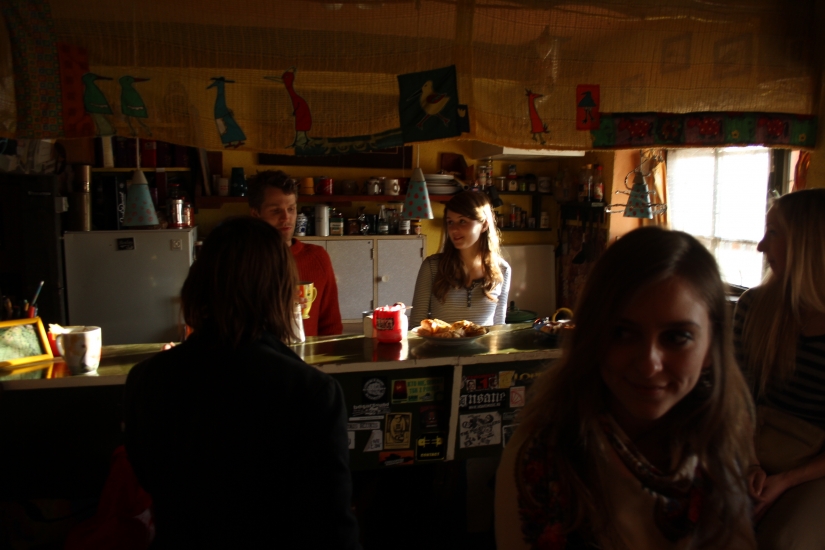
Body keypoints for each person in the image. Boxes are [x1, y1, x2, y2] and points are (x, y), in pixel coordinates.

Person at [496, 226, 756, 550]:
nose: (649, 365)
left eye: (677, 337)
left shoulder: (721, 437)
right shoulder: (540, 459)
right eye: (622, 333)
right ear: (592, 337)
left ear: (711, 347)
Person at [124, 217, 361, 549]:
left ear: (199, 283)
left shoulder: (147, 378)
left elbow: (149, 478)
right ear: (279, 290)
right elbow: (331, 526)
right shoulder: (311, 392)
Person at [734, 188, 825, 549]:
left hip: (814, 467)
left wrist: (786, 481)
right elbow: (736, 397)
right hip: (751, 446)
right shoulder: (754, 306)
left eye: (773, 233)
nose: (760, 246)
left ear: (809, 244)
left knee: (784, 540)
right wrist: (750, 464)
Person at [248, 169, 343, 336]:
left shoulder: (318, 257)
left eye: (291, 209)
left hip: (308, 352)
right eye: (275, 211)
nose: (286, 218)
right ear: (256, 214)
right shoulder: (244, 259)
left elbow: (331, 325)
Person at [410, 191, 510, 326]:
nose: (454, 229)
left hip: (485, 341)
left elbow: (499, 326)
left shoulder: (502, 269)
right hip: (440, 341)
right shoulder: (432, 267)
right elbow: (416, 325)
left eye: (462, 221)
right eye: (450, 222)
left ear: (484, 225)